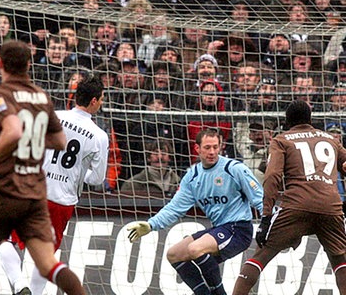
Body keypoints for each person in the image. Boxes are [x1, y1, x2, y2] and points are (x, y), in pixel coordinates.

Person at [0, 40, 85, 295]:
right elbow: (61, 141)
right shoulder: (41, 96)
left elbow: (13, 129)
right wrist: (32, 137)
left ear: (0, 64)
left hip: (6, 188)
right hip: (36, 190)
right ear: (29, 65)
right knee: (49, 263)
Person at [0, 77, 109, 295]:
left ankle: (20, 286)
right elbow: (97, 179)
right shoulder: (99, 136)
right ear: (94, 101)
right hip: (62, 200)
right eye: (102, 99)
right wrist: (76, 173)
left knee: (6, 240)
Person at [127, 128, 263, 295]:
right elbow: (175, 207)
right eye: (207, 147)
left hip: (238, 229)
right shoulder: (192, 176)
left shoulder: (234, 169)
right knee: (174, 254)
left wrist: (271, 223)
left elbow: (259, 198)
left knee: (195, 249)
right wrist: (151, 224)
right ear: (197, 148)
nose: (212, 152)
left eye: (215, 147)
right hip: (219, 229)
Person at [232, 100, 346, 295]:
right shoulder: (331, 140)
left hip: (296, 206)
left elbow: (272, 177)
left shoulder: (282, 140)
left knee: (262, 253)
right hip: (330, 207)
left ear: (287, 120)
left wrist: (266, 216)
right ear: (310, 119)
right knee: (340, 261)